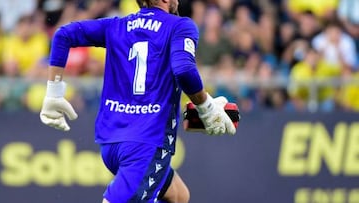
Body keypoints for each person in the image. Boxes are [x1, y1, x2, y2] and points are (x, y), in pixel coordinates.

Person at [39, 0, 237, 202]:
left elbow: (63, 34)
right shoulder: (180, 25)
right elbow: (185, 70)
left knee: (178, 196)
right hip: (146, 145)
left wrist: (53, 93)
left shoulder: (116, 25)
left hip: (111, 143)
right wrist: (206, 107)